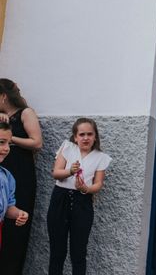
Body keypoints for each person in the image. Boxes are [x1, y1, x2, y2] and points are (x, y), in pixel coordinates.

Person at [47, 118, 111, 275]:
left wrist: (85, 188)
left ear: (95, 136)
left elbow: (98, 184)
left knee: (79, 252)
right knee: (57, 252)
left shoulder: (101, 157)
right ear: (75, 137)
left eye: (90, 134)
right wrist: (70, 171)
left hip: (83, 203)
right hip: (60, 200)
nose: (86, 138)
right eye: (82, 134)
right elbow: (56, 173)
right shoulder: (68, 148)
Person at [0, 78, 42, 273]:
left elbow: (37, 143)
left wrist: (9, 138)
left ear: (3, 96)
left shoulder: (26, 113)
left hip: (20, 173)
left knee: (16, 229)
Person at [0, 121, 29, 250]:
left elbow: (7, 207)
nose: (6, 148)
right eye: (1, 142)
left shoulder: (7, 177)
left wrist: (19, 213)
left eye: (9, 143)